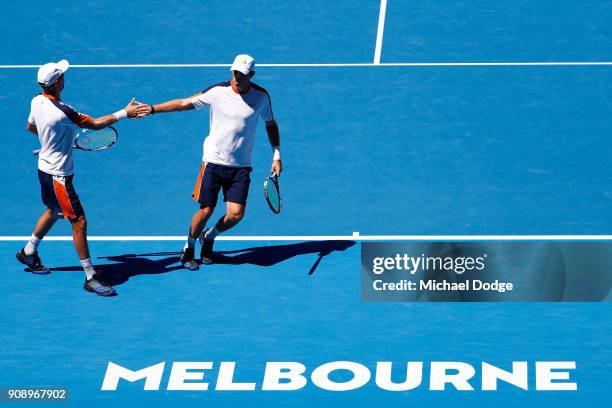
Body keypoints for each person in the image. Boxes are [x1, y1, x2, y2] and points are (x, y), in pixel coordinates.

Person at [17, 59, 148, 296]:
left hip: (43, 168)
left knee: (53, 211)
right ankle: (91, 276)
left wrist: (52, 142)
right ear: (58, 83)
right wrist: (125, 113)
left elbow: (31, 127)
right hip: (58, 176)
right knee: (79, 222)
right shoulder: (64, 112)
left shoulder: (36, 101)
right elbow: (97, 124)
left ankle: (28, 252)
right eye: (62, 76)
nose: (65, 78)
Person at [139, 54, 282, 270]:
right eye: (235, 72)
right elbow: (184, 103)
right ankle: (188, 248)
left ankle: (210, 236)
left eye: (242, 75)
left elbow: (270, 123)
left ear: (251, 75)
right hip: (213, 162)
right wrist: (152, 108)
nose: (237, 78)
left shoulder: (261, 97)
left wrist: (277, 155)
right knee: (206, 210)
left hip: (240, 166)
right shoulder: (217, 92)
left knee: (236, 215)